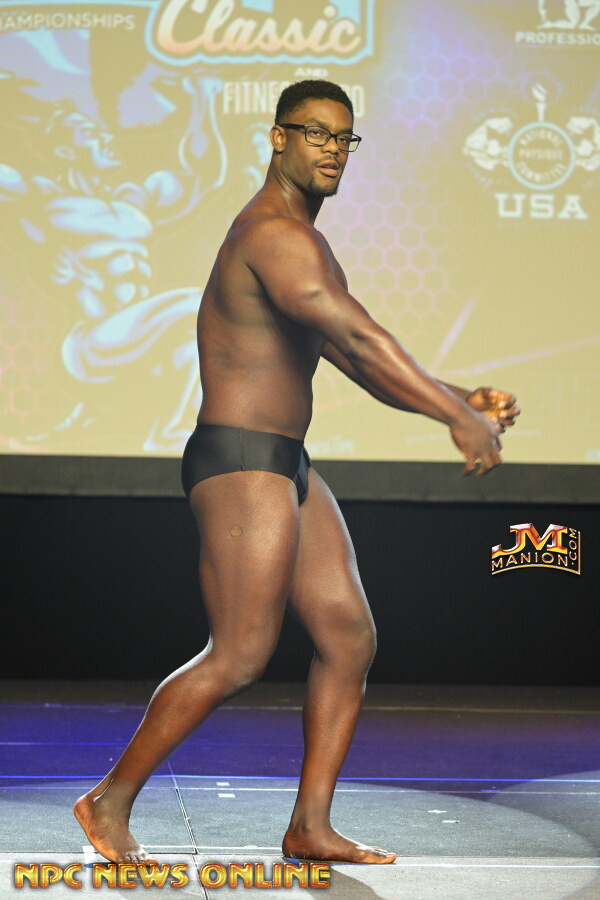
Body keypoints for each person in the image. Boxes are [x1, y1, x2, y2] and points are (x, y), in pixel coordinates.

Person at [73, 80, 520, 866]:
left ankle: (309, 826)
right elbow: (363, 336)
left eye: (344, 138)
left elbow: (352, 357)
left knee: (348, 636)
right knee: (241, 653)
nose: (332, 150)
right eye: (316, 133)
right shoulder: (275, 235)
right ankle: (109, 799)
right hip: (242, 460)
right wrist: (456, 417)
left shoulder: (306, 242)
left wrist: (456, 398)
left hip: (284, 462)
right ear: (278, 137)